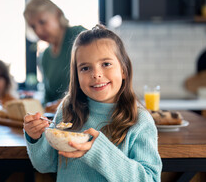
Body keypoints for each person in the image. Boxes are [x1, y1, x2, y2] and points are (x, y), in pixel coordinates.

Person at [23, 25, 162, 181]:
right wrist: (35, 138)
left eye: (106, 64)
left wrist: (97, 150)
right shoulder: (68, 110)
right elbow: (46, 165)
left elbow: (150, 179)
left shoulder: (140, 121)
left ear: (123, 69)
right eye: (85, 68)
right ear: (76, 75)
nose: (96, 74)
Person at [23, 0, 85, 111]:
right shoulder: (45, 56)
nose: (38, 31)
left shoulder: (79, 36)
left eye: (42, 22)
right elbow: (48, 96)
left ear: (57, 14)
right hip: (59, 119)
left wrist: (67, 102)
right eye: (33, 26)